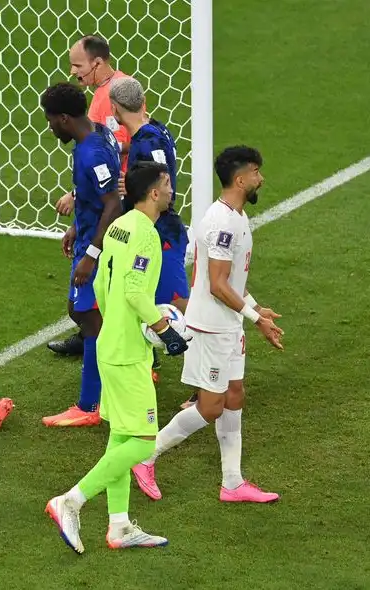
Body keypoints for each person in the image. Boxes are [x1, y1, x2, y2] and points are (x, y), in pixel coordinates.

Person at [44, 161, 187, 554]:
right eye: (167, 185)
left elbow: (105, 287)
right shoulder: (145, 234)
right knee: (143, 443)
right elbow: (135, 292)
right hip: (127, 355)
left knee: (121, 437)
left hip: (112, 343)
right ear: (154, 193)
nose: (172, 191)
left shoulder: (119, 226)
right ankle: (70, 501)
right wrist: (165, 331)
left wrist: (121, 326)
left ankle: (120, 527)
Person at [130, 146, 284, 503]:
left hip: (229, 325)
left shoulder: (238, 217)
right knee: (212, 405)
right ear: (241, 178)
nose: (261, 179)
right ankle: (146, 457)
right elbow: (216, 284)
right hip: (211, 328)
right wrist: (255, 318)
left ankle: (232, 482)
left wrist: (256, 308)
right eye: (256, 172)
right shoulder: (221, 223)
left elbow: (232, 282)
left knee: (234, 396)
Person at [48, 35, 139, 356]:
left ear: (97, 63)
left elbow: (129, 138)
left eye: (77, 65)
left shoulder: (118, 91)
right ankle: (94, 334)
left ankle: (130, 347)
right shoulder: (100, 95)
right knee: (90, 303)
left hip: (120, 194)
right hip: (104, 194)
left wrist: (83, 187)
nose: (73, 71)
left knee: (110, 288)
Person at [39, 82, 122, 429]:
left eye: (49, 120)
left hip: (98, 245)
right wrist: (76, 225)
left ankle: (91, 404)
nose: (49, 127)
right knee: (90, 316)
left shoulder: (91, 152)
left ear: (63, 118)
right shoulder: (100, 134)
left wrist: (91, 253)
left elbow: (113, 204)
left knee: (86, 316)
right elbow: (96, 194)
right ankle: (106, 394)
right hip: (89, 233)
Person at [109, 76, 191, 382]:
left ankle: (211, 375)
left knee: (181, 306)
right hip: (155, 230)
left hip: (163, 234)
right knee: (139, 297)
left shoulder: (146, 141)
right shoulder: (154, 129)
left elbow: (160, 183)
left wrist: (129, 186)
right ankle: (148, 362)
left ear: (116, 109)